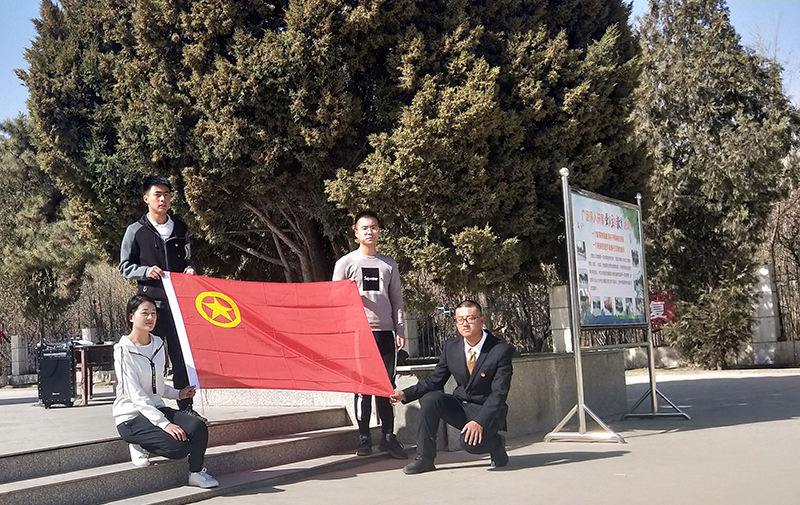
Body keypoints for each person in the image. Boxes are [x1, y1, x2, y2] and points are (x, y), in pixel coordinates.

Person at [390, 300, 513, 474]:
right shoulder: (452, 347)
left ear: (481, 320)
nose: (465, 324)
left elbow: (499, 394)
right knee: (431, 399)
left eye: (470, 318)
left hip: (487, 409)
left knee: (469, 444)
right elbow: (435, 381)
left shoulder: (500, 350)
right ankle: (425, 458)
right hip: (462, 405)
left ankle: (497, 443)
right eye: (460, 320)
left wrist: (479, 421)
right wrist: (405, 394)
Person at [119, 176, 204, 421]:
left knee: (182, 358)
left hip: (179, 305)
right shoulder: (135, 231)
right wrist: (145, 271)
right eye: (157, 194)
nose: (163, 199)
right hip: (150, 306)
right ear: (146, 198)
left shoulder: (180, 228)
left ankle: (186, 408)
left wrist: (189, 269)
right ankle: (146, 409)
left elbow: (188, 258)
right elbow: (124, 266)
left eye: (166, 194)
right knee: (148, 358)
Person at [113, 294, 218, 488]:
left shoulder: (158, 344)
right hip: (131, 417)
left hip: (156, 408)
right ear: (131, 317)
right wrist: (164, 424)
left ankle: (196, 473)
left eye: (153, 313)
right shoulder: (122, 350)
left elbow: (157, 387)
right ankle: (139, 442)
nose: (150, 318)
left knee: (197, 427)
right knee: (179, 448)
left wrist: (178, 393)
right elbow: (136, 395)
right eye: (145, 313)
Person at [333, 210, 408, 459]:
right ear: (356, 233)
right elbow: (335, 300)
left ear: (379, 232)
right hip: (358, 333)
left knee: (386, 386)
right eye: (364, 228)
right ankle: (364, 437)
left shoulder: (388, 264)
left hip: (385, 332)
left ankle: (388, 437)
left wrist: (399, 329)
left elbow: (396, 299)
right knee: (362, 386)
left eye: (374, 227)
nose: (370, 231)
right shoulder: (346, 263)